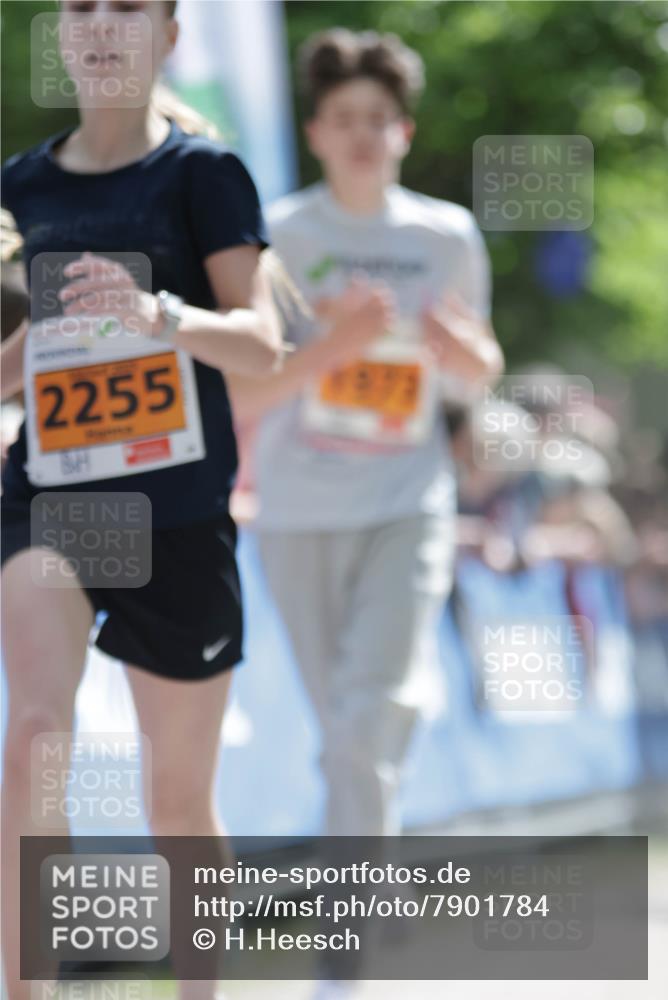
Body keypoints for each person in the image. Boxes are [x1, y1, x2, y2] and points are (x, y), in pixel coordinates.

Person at [0, 2, 283, 998]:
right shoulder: (16, 188)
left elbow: (260, 344)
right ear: (59, 34)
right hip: (54, 496)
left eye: (129, 7)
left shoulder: (203, 174)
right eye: (80, 6)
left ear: (168, 34)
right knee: (36, 732)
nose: (102, 24)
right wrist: (34, 348)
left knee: (177, 800)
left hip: (178, 508)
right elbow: (11, 367)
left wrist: (157, 313)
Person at [228, 29, 503, 997]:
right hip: (300, 514)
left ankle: (343, 960)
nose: (358, 135)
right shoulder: (279, 237)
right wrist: (325, 346)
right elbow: (242, 397)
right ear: (313, 130)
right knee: (345, 737)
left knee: (361, 722)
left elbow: (478, 370)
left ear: (402, 131)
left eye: (375, 120)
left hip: (406, 502)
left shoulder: (443, 237)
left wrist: (455, 346)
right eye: (340, 119)